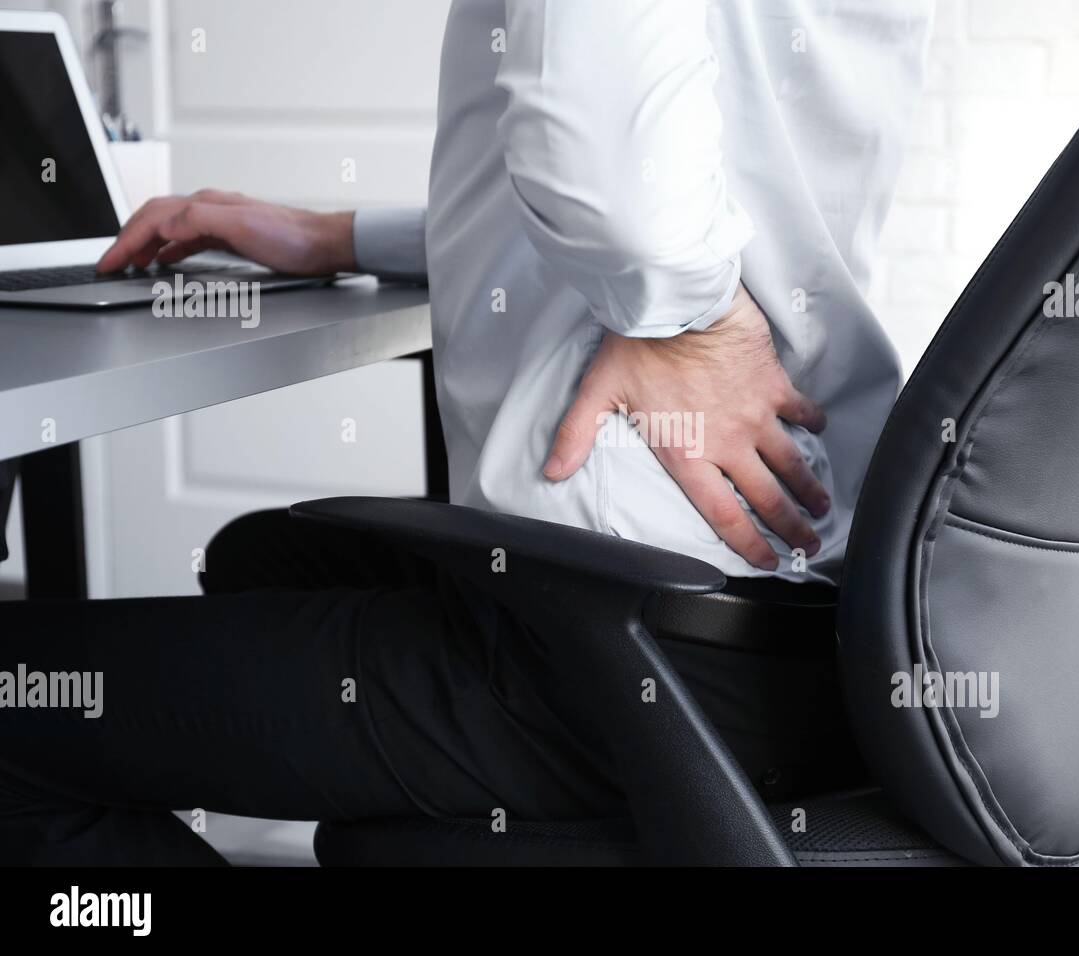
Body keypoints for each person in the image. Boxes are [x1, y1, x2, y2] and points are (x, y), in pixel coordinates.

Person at [0, 0, 932, 864]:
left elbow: (615, 184)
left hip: (612, 642)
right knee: (262, 559)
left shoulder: (668, 279)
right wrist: (341, 236)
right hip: (792, 623)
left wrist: (695, 323)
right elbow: (732, 189)